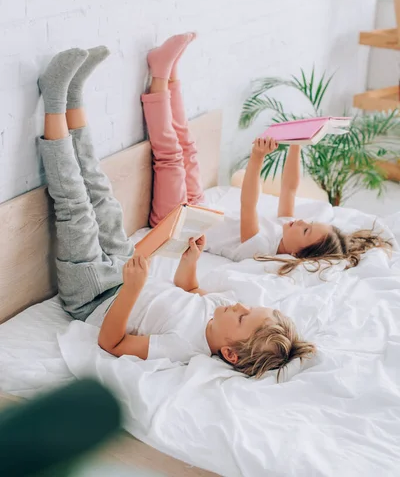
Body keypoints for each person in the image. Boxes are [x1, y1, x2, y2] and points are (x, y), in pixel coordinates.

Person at [37, 41, 315, 379]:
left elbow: (112, 343)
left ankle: (54, 99)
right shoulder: (217, 310)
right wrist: (190, 263)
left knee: (77, 206)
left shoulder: (184, 346)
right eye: (249, 308)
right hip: (127, 268)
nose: (241, 306)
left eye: (243, 317)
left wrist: (134, 289)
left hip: (94, 295)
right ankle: (75, 99)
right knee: (102, 194)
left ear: (228, 351)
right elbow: (190, 290)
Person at [138, 33, 392, 279]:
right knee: (188, 147)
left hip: (174, 225)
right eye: (309, 223)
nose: (302, 221)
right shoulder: (286, 227)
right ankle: (171, 74)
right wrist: (296, 144)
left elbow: (248, 204)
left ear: (296, 253)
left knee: (171, 155)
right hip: (197, 206)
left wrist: (257, 157)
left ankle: (159, 77)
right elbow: (289, 190)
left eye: (306, 229)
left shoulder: (259, 249)